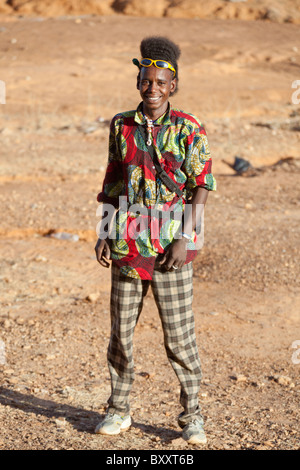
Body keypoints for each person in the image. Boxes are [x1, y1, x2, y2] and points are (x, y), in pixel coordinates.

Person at [94, 36, 216, 445]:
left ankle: (192, 416)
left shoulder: (188, 127)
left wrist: (185, 237)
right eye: (146, 81)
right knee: (120, 335)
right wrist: (104, 231)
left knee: (179, 336)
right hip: (128, 245)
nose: (152, 89)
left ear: (172, 86)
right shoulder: (121, 125)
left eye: (160, 83)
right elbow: (112, 179)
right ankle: (118, 409)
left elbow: (202, 184)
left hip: (170, 250)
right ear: (138, 82)